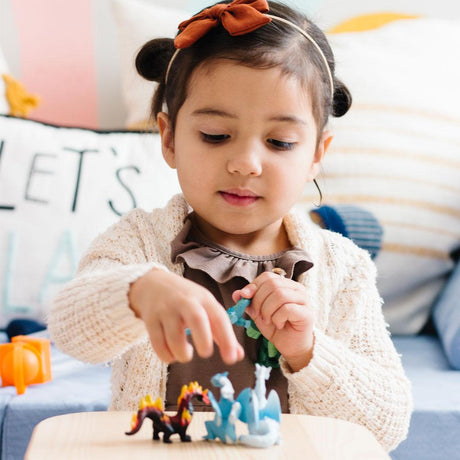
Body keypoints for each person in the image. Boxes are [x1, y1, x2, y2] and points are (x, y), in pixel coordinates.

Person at [48, 0, 411, 451]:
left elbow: (389, 424)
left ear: (317, 153)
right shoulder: (139, 242)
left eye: (279, 142)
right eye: (216, 136)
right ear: (168, 138)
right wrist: (136, 292)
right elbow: (70, 331)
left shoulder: (343, 269)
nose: (245, 163)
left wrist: (309, 350)